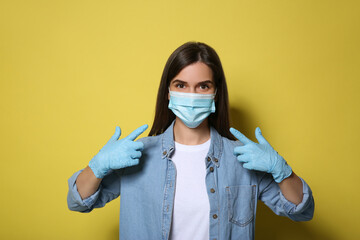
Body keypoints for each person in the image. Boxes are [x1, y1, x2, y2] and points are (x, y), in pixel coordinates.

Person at [67, 42, 314, 240]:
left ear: (216, 92)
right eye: (181, 85)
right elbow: (77, 201)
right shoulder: (135, 155)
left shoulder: (244, 158)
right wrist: (97, 165)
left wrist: (281, 170)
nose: (191, 95)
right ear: (168, 92)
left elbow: (302, 210)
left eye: (203, 86)